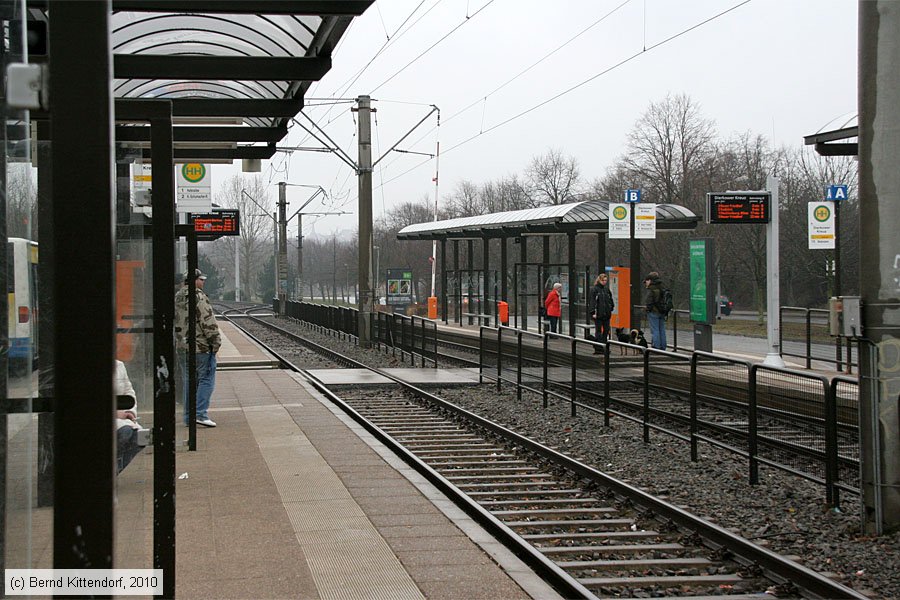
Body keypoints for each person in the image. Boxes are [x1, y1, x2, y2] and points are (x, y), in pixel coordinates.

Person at [175, 269, 221, 428]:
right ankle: (200, 413)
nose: (203, 282)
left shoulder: (177, 297)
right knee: (206, 379)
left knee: (189, 381)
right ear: (194, 280)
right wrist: (215, 343)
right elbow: (208, 322)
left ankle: (188, 416)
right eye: (201, 279)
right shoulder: (199, 296)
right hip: (201, 347)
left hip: (182, 346)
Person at [115, 360, 147, 474]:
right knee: (126, 432)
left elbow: (129, 391)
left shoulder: (119, 365)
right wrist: (116, 413)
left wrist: (130, 411)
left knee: (141, 437)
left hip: (122, 417)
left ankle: (115, 470)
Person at [589, 272, 614, 353]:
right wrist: (593, 312)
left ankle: (604, 346)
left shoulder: (606, 290)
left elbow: (610, 300)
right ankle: (599, 347)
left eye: (605, 280)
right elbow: (592, 302)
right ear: (599, 280)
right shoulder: (595, 290)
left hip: (606, 314)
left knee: (606, 330)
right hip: (598, 314)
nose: (604, 282)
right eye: (603, 280)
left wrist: (611, 308)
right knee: (599, 331)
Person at [643, 271, 667, 350]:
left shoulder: (652, 289)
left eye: (646, 281)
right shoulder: (662, 287)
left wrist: (647, 309)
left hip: (653, 312)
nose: (646, 283)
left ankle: (656, 347)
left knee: (655, 330)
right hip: (662, 311)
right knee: (662, 329)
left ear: (650, 280)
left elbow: (649, 301)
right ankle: (663, 346)